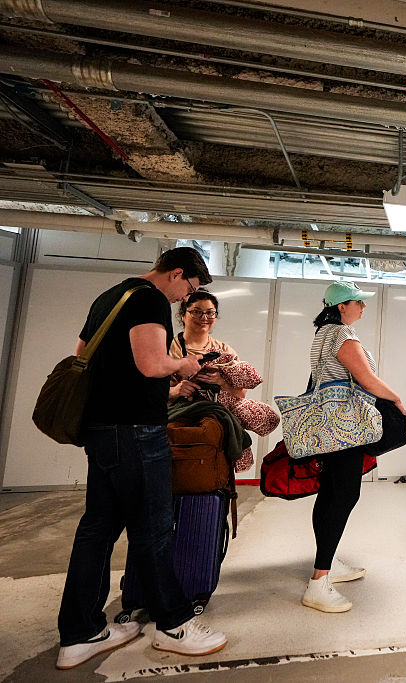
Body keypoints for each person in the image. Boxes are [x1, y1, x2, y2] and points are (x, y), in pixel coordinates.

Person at [56, 247, 226, 670]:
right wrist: (183, 365)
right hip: (135, 429)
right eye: (190, 289)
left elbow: (81, 353)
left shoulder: (110, 297)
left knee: (97, 529)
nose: (185, 298)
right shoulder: (149, 299)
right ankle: (174, 626)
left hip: (102, 429)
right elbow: (151, 365)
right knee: (153, 529)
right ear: (177, 274)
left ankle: (80, 634)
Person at [302, 279, 406, 612]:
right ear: (342, 306)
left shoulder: (323, 333)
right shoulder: (343, 334)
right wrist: (396, 399)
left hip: (326, 423)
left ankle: (327, 561)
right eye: (358, 302)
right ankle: (319, 582)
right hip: (345, 426)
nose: (363, 306)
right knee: (344, 494)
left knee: (330, 492)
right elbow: (367, 379)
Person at [168, 289, 279, 472]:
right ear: (183, 314)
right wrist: (176, 390)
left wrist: (222, 382)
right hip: (180, 424)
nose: (204, 318)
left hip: (216, 427)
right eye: (196, 312)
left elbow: (241, 394)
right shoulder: (169, 349)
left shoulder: (224, 350)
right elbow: (150, 392)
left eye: (210, 312)